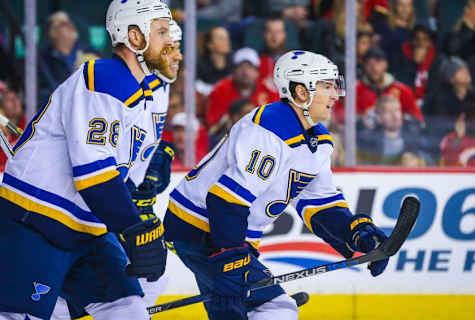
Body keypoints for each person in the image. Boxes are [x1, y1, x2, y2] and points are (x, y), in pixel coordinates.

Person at [163, 50, 390, 320]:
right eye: (326, 87)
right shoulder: (270, 128)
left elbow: (321, 205)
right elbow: (225, 201)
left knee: (235, 312)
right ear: (301, 92)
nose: (334, 96)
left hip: (228, 233)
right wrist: (230, 258)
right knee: (276, 309)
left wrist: (356, 235)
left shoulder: (318, 139)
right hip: (198, 226)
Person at [0, 1, 173, 319]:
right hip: (38, 220)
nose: (173, 42)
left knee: (130, 311)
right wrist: (134, 228)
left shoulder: (146, 98)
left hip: (88, 229)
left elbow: (121, 182)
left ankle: (63, 303)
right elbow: (94, 177)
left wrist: (142, 192)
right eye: (162, 31)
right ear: (134, 38)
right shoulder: (105, 77)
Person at [50, 16, 184, 320]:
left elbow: (141, 149)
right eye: (168, 46)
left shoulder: (160, 89)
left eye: (176, 46)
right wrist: (127, 203)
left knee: (155, 273)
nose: (176, 54)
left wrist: (151, 165)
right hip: (89, 202)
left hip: (115, 198)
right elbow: (95, 156)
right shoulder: (121, 82)